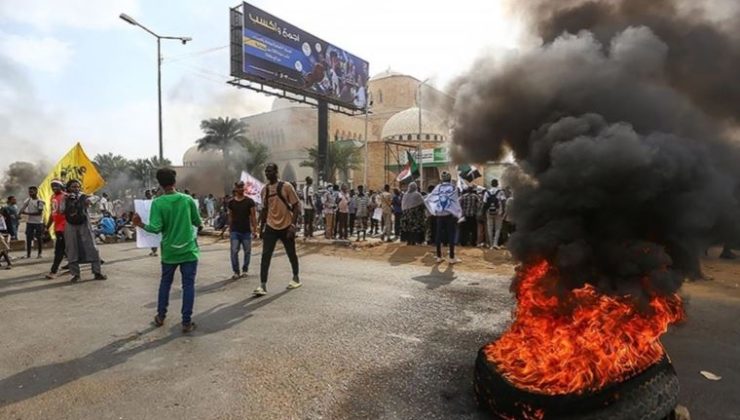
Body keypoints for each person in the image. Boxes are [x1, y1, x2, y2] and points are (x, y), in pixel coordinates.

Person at [133, 168, 201, 333]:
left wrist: (139, 224)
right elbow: (197, 222)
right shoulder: (187, 200)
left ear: (160, 184)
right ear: (174, 181)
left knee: (165, 284)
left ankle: (161, 316)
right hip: (189, 250)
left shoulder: (157, 203)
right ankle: (186, 322)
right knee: (188, 286)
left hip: (169, 252)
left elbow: (156, 228)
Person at [255, 163, 302, 296]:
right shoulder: (265, 190)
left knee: (291, 253)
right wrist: (261, 227)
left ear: (276, 172)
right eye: (266, 172)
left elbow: (296, 206)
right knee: (265, 256)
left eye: (270, 171)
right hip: (271, 226)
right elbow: (265, 209)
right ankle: (262, 285)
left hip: (286, 225)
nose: (267, 174)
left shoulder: (286, 187)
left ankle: (296, 277)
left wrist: (293, 225)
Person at [62, 180, 107, 283]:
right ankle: (75, 274)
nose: (76, 189)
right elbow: (61, 210)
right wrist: (68, 200)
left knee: (91, 247)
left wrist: (87, 200)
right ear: (68, 188)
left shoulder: (84, 196)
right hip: (70, 225)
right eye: (73, 187)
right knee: (72, 248)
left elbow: (95, 197)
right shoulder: (65, 198)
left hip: (84, 224)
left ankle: (97, 272)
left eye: (78, 187)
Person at [425, 172, 462, 264]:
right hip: (449, 215)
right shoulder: (453, 188)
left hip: (439, 215)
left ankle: (438, 256)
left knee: (438, 235)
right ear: (449, 179)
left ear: (442, 179)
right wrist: (457, 212)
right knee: (451, 235)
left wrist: (433, 209)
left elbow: (428, 199)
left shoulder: (438, 187)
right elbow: (455, 201)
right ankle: (452, 257)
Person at [228, 181, 257, 280]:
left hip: (246, 231)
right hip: (235, 231)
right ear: (235, 189)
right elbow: (230, 217)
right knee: (234, 251)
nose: (240, 189)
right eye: (238, 187)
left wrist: (255, 230)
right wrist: (230, 229)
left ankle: (245, 269)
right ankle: (236, 271)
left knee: (247, 251)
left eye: (242, 187)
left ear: (244, 188)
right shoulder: (231, 202)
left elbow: (253, 216)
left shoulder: (249, 202)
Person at [45, 180, 67, 279]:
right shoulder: (52, 197)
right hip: (57, 227)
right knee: (66, 248)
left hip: (65, 227)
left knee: (59, 249)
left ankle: (54, 270)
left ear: (61, 186)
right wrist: (47, 226)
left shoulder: (66, 196)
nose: (54, 188)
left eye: (56, 186)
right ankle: (72, 264)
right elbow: (52, 213)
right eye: (52, 186)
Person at [20, 186, 45, 259]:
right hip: (30, 222)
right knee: (28, 238)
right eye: (29, 192)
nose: (30, 193)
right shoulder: (28, 200)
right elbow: (23, 208)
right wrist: (18, 214)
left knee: (39, 238)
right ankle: (28, 254)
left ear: (36, 192)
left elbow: (39, 213)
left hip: (38, 222)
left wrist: (26, 213)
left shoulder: (40, 201)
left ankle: (39, 253)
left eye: (32, 192)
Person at [483, 179, 507, 249]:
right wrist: (503, 210)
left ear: (491, 184)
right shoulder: (500, 192)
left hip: (489, 211)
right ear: (497, 184)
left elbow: (484, 203)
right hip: (498, 211)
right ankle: (495, 244)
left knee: (490, 228)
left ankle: (491, 244)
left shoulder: (487, 192)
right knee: (498, 228)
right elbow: (503, 201)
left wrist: (484, 212)